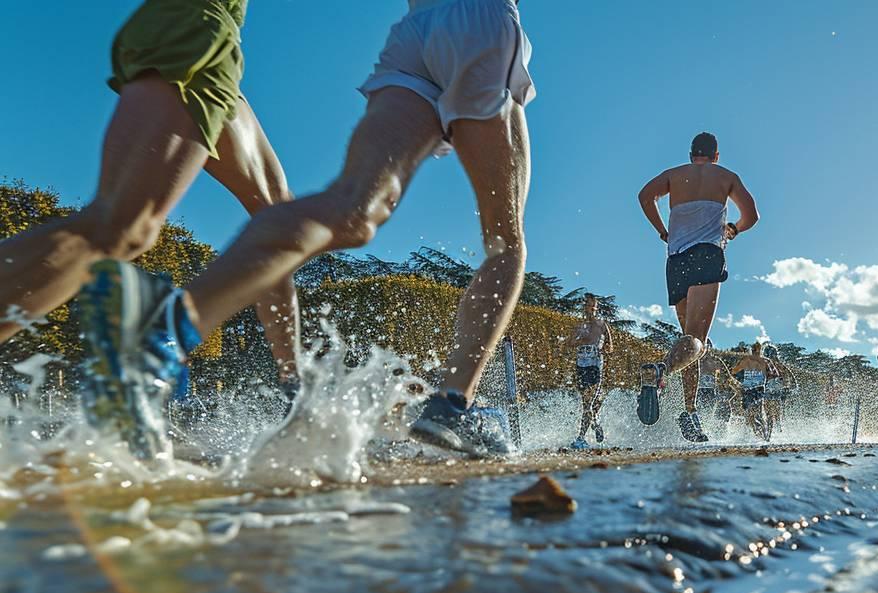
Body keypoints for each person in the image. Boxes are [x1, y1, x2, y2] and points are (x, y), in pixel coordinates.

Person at [73, 0, 536, 460]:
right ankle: (452, 402)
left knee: (351, 210)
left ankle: (168, 330)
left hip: (413, 34)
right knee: (505, 241)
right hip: (480, 19)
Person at [0, 0, 300, 391]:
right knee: (118, 228)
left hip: (210, 41)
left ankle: (294, 383)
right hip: (193, 28)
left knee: (280, 217)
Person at [636, 132, 759, 442]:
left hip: (676, 260)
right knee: (697, 342)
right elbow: (752, 216)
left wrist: (662, 231)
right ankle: (661, 371)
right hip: (707, 255)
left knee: (687, 343)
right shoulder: (726, 176)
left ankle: (689, 412)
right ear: (716, 155)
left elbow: (644, 196)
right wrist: (733, 229)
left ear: (692, 154)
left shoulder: (674, 175)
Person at [567, 294, 611, 450]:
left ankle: (580, 438)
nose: (590, 309)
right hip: (581, 366)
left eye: (593, 306)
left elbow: (610, 347)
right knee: (587, 404)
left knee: (588, 403)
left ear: (596, 308)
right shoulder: (579, 325)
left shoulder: (601, 325)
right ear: (584, 308)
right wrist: (581, 340)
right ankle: (596, 423)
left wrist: (601, 349)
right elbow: (570, 343)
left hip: (595, 366)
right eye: (587, 306)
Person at [729, 342, 775, 441]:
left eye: (756, 350)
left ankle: (764, 436)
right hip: (749, 389)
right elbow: (733, 372)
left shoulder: (762, 361)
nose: (755, 352)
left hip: (756, 388)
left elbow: (774, 374)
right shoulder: (751, 360)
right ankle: (758, 435)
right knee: (750, 414)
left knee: (756, 413)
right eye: (754, 350)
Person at [761, 344, 795, 442]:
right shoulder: (779, 365)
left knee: (770, 416)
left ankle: (770, 436)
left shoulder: (766, 364)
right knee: (775, 415)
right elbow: (792, 379)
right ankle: (776, 434)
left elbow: (791, 379)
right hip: (775, 392)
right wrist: (790, 388)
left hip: (771, 392)